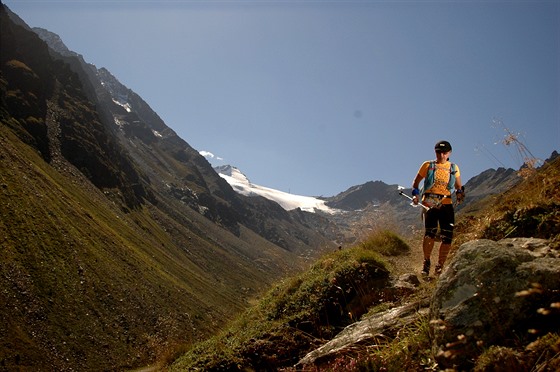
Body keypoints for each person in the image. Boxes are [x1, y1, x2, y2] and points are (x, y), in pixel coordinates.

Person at [411, 140, 464, 276]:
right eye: (438, 152)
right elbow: (416, 183)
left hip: (446, 203)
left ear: (449, 153)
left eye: (444, 153)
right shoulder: (427, 165)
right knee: (430, 233)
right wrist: (415, 195)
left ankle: (440, 266)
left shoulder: (454, 168)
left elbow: (458, 186)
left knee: (447, 236)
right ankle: (426, 261)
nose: (441, 155)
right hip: (430, 201)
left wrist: (459, 193)